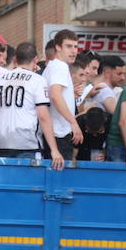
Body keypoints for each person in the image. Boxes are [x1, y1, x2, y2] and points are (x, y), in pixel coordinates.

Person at [0, 41, 65, 170]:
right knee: (29, 186)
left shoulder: (1, 79)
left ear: (16, 59)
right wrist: (54, 150)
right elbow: (43, 116)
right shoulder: (37, 80)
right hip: (28, 143)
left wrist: (5, 119)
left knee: (6, 186)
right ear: (35, 59)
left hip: (3, 141)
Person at [42, 29, 83, 160]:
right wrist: (74, 123)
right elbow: (55, 95)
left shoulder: (53, 66)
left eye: (76, 46)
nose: (74, 51)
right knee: (60, 178)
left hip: (54, 132)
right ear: (58, 47)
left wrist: (70, 95)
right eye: (69, 46)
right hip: (58, 134)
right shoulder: (60, 66)